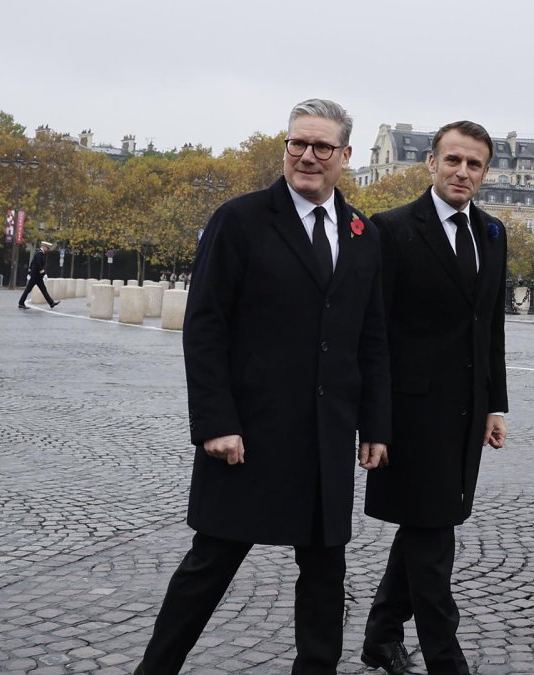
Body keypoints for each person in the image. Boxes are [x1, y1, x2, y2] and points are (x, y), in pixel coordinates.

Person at [135, 98, 392, 674]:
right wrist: (216, 423)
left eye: (321, 147)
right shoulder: (239, 219)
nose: (306, 156)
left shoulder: (362, 235)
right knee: (210, 567)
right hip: (248, 433)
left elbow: (371, 338)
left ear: (345, 156)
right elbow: (204, 328)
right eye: (296, 143)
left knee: (326, 576)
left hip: (327, 434)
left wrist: (375, 422)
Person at [361, 120, 509, 675]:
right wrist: (373, 420)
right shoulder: (391, 229)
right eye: (453, 161)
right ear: (431, 163)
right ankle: (447, 662)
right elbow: (372, 333)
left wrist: (496, 405)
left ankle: (380, 636)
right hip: (411, 414)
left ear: (486, 172)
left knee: (428, 525)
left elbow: (489, 325)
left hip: (468, 414)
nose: (462, 172)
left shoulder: (492, 233)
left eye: (474, 164)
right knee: (433, 537)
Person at [17, 241, 59, 309]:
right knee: (28, 290)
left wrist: (29, 272)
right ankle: (21, 303)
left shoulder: (40, 253)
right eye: (47, 248)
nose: (48, 250)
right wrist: (44, 274)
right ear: (44, 247)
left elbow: (32, 263)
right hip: (35, 276)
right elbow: (39, 265)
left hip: (37, 276)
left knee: (43, 290)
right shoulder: (39, 254)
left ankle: (51, 303)